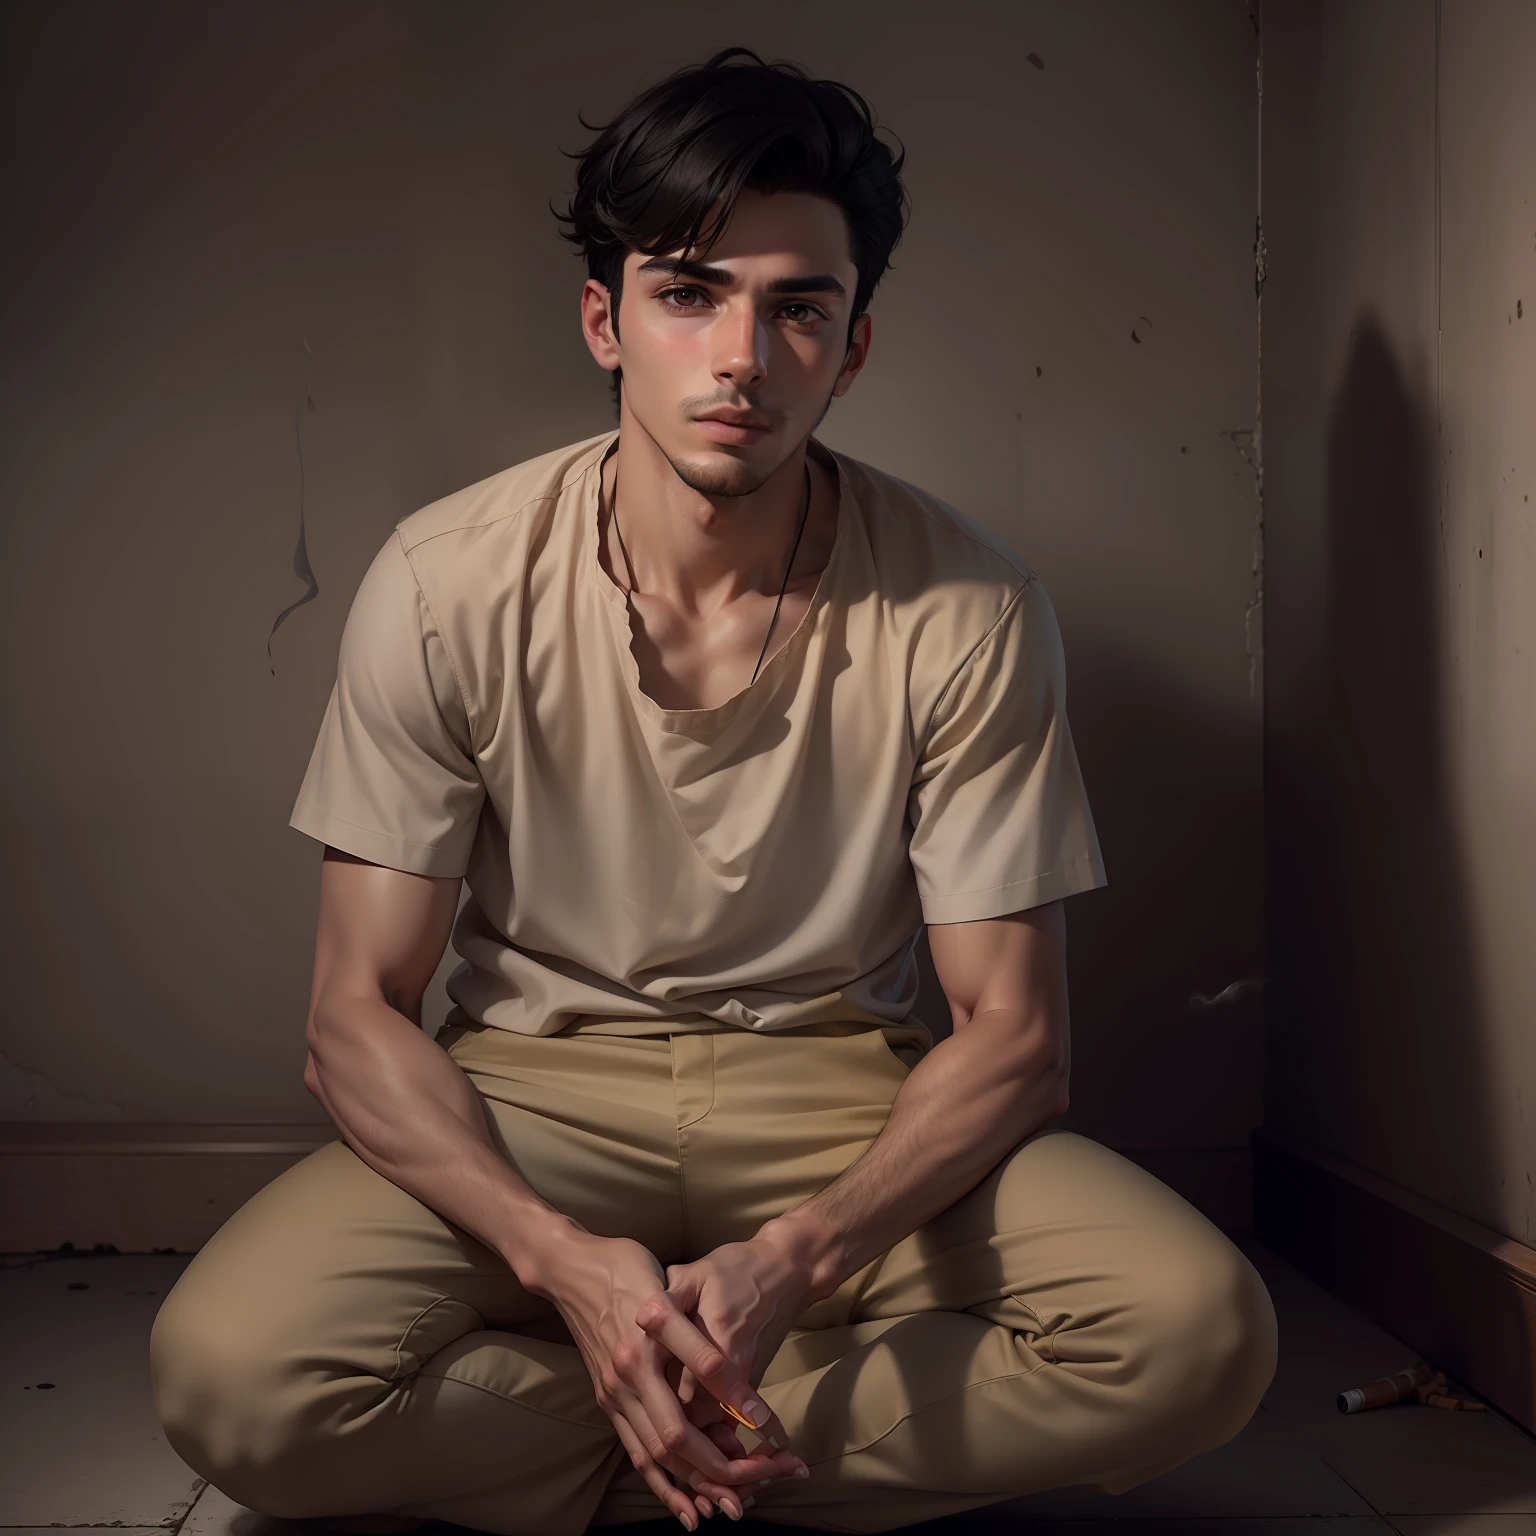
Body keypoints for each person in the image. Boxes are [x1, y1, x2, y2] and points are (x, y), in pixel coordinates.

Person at [149, 46, 1277, 1536]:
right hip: (533, 1094)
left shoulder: (969, 606)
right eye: (690, 292)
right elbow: (353, 1014)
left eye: (797, 306)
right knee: (229, 1375)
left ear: (852, 346)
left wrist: (801, 1258)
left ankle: (651, 1430)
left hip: (837, 1100)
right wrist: (558, 1258)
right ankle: (729, 1432)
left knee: (1201, 1334)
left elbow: (1015, 1042)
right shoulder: (446, 579)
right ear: (607, 321)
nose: (743, 355)